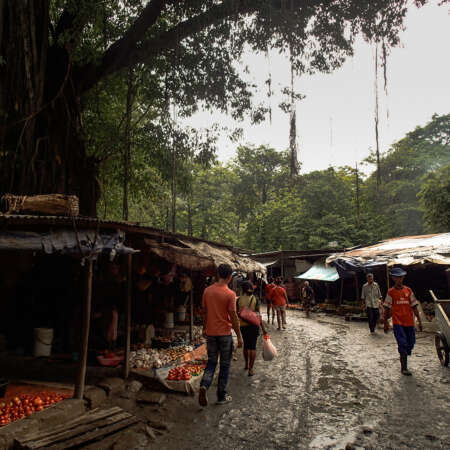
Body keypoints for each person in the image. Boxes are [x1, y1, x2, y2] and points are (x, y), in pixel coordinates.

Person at [199, 264, 243, 407]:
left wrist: (205, 328)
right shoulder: (230, 294)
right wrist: (239, 336)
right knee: (225, 365)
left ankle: (204, 385)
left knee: (211, 362)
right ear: (230, 277)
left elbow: (204, 313)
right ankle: (221, 396)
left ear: (218, 274)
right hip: (224, 335)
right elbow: (233, 316)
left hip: (211, 334)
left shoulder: (207, 291)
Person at [383, 267, 422, 376]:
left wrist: (419, 320)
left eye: (401, 277)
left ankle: (405, 353)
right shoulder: (391, 292)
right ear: (393, 278)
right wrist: (385, 322)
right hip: (398, 323)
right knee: (402, 344)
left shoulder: (408, 290)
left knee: (411, 343)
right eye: (397, 277)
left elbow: (414, 306)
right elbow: (386, 308)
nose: (400, 279)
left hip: (409, 322)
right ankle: (404, 368)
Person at [237, 281, 267, 376]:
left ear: (242, 289)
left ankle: (246, 364)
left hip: (243, 326)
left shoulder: (239, 300)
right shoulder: (255, 299)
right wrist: (263, 328)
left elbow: (237, 313)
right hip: (254, 325)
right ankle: (251, 369)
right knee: (252, 346)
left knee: (246, 345)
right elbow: (258, 315)